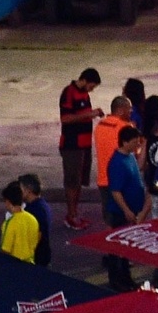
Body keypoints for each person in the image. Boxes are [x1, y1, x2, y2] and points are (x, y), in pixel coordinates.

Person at [55, 67, 101, 229]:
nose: (92, 90)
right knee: (72, 181)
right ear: (85, 81)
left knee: (79, 181)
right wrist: (89, 115)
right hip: (72, 144)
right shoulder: (69, 92)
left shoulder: (84, 94)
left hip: (84, 144)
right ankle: (71, 214)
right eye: (92, 86)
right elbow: (65, 118)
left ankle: (75, 212)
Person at [103, 126, 148, 290]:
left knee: (126, 247)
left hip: (131, 211)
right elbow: (115, 191)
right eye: (135, 142)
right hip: (120, 213)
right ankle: (116, 280)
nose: (137, 144)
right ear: (125, 141)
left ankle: (125, 278)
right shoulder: (117, 163)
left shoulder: (129, 156)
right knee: (118, 248)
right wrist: (127, 210)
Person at [19, 174, 54, 268]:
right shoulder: (42, 205)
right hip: (43, 255)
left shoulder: (32, 211)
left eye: (20, 188)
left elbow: (37, 235)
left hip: (36, 258)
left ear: (28, 190)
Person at [0, 182, 39, 261]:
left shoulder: (9, 223)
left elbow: (5, 250)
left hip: (14, 265)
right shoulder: (32, 218)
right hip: (30, 263)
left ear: (8, 202)